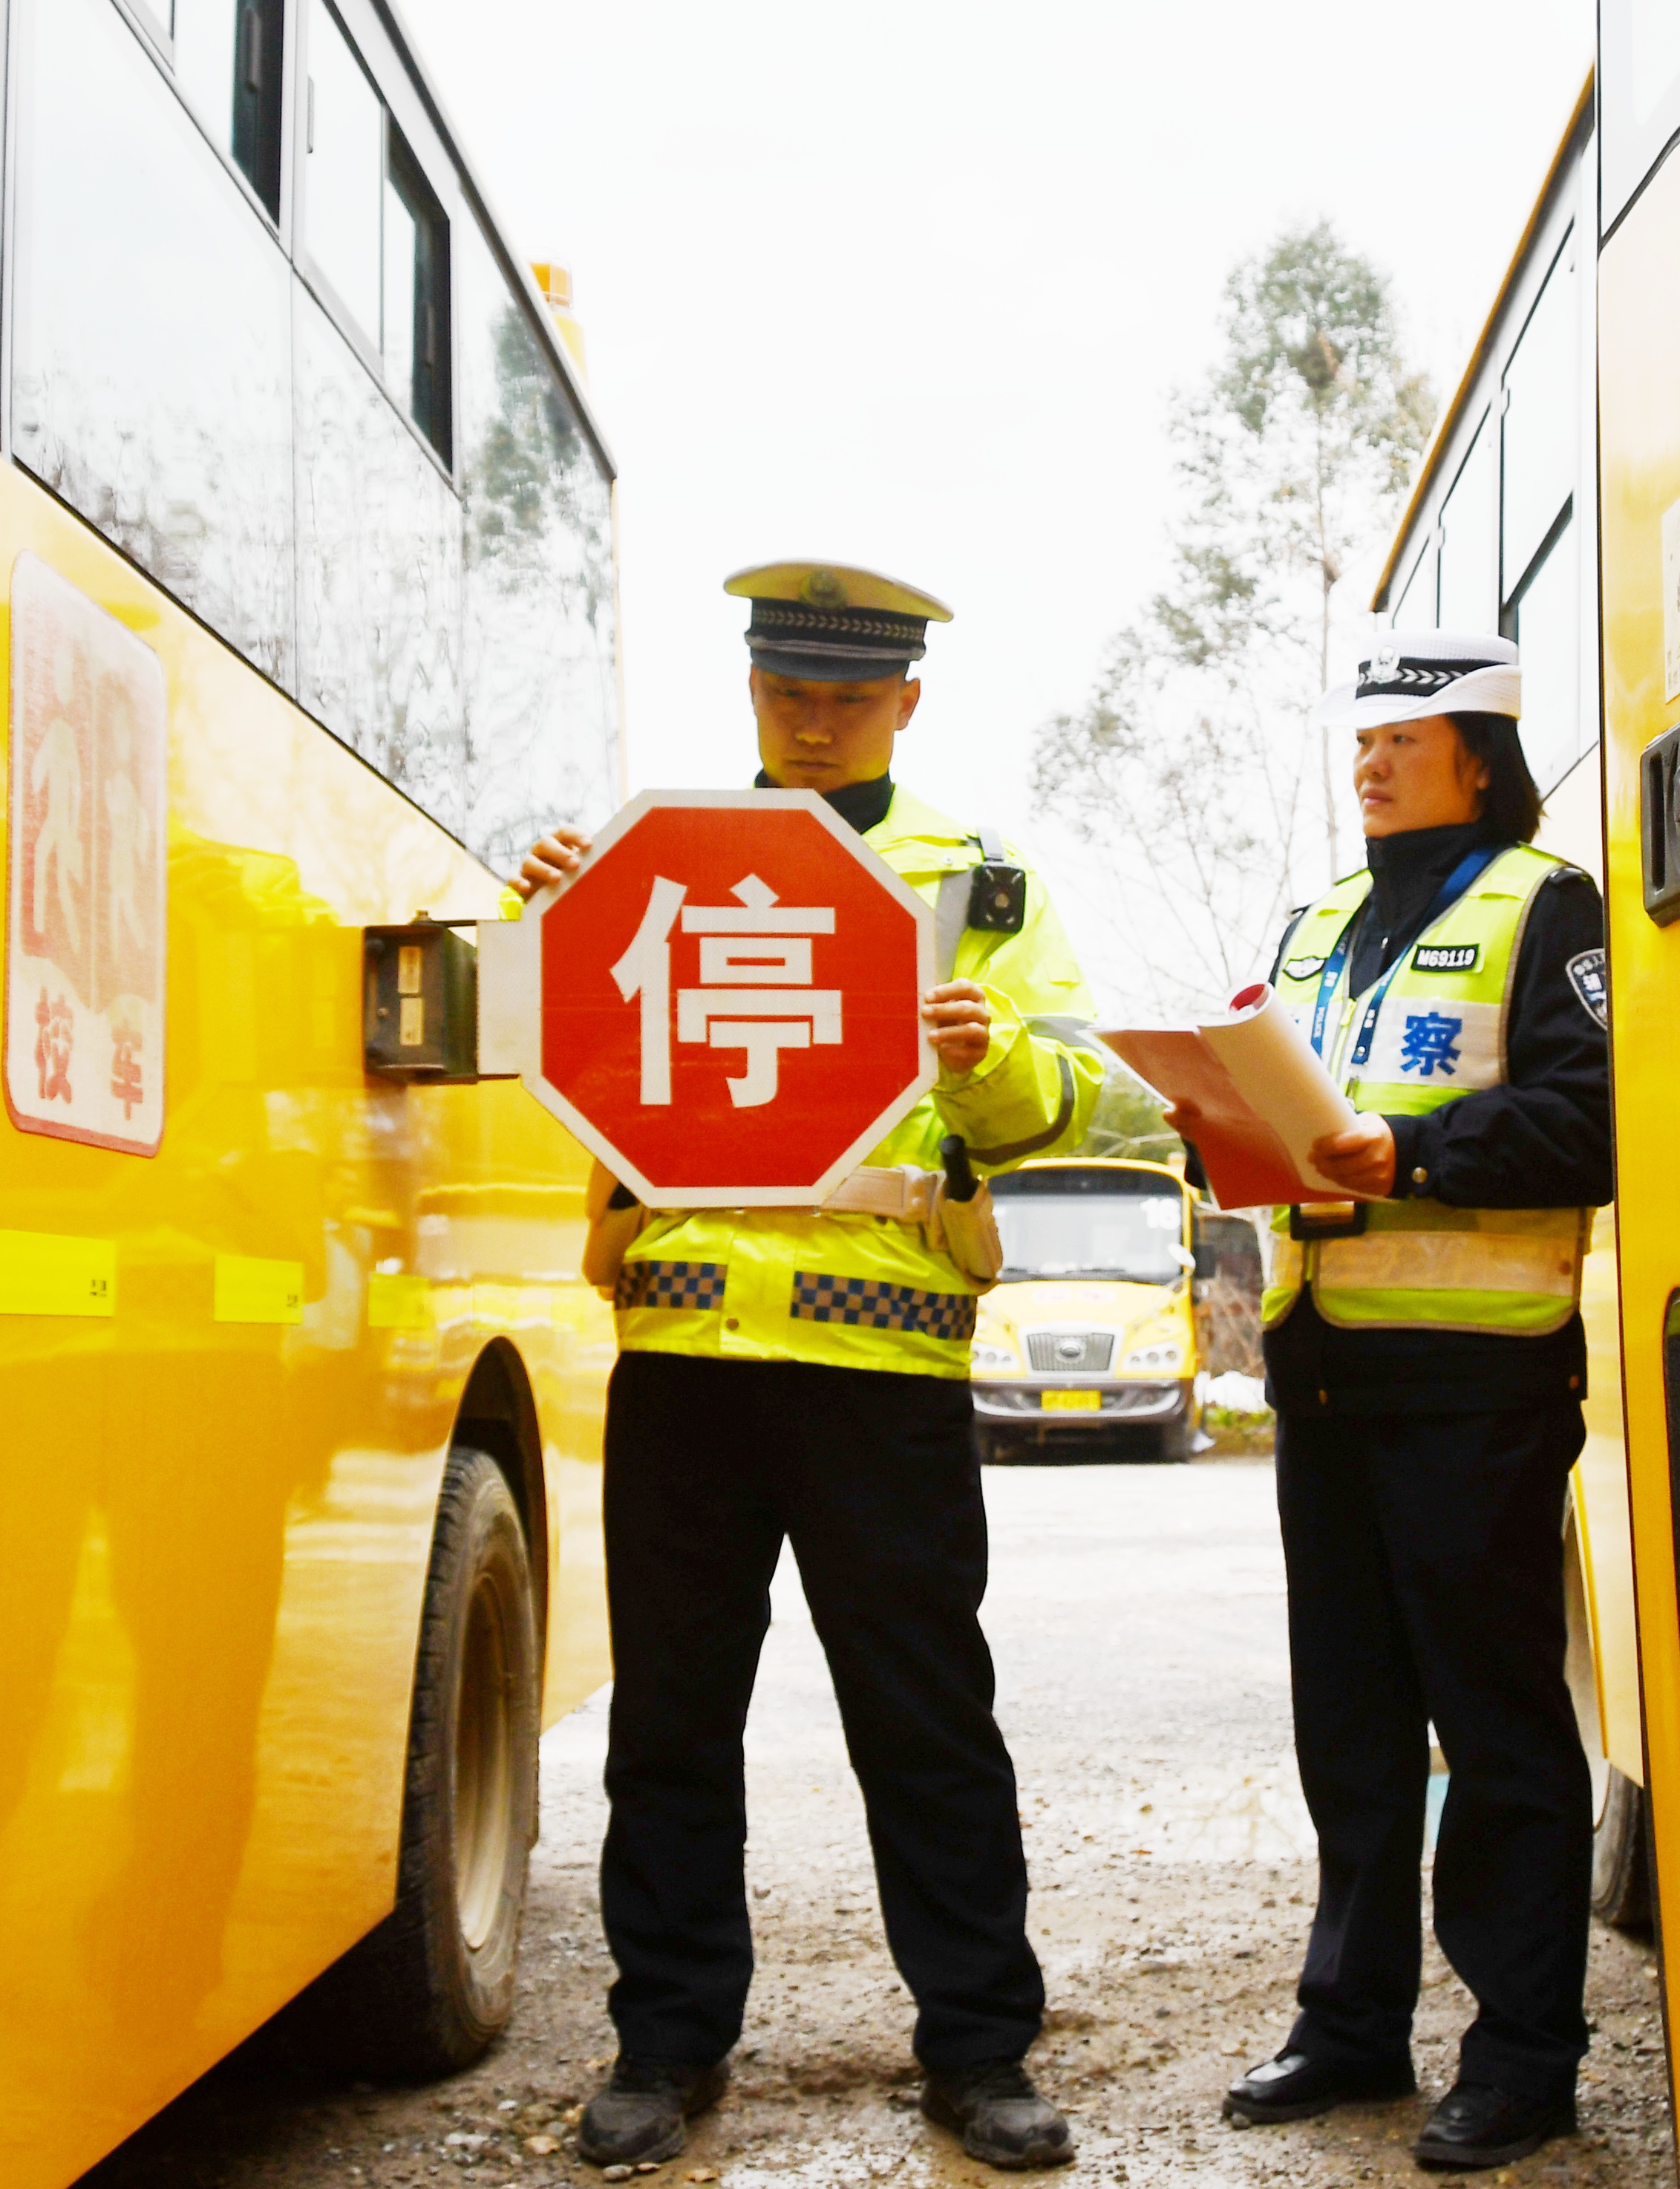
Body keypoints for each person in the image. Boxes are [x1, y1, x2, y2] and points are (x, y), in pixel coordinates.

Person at [517, 561, 1105, 2174]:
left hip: (883, 1366)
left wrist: (989, 1061)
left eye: (847, 694)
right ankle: (664, 2042)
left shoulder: (976, 884)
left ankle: (979, 2047)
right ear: (751, 691)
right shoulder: (655, 860)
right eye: (788, 690)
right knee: (673, 1722)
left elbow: (1061, 1099)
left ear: (908, 701)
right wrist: (546, 912)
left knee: (925, 1720)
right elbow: (564, 1045)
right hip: (689, 1354)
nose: (815, 717)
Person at [1217, 631, 1612, 2173]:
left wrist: (1410, 1148)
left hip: (1476, 1381)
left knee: (1497, 1731)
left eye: (1405, 738)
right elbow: (1271, 1096)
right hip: (1321, 1376)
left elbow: (1592, 1118)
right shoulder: (1317, 923)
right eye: (1361, 741)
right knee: (1353, 1723)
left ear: (1480, 756)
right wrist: (1213, 1123)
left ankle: (1522, 2054)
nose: (1369, 762)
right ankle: (1348, 2022)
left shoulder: (1541, 901)